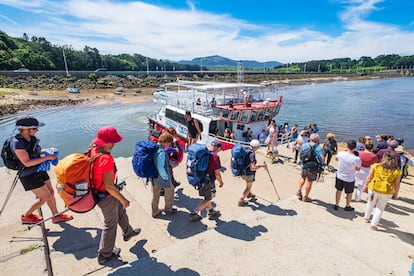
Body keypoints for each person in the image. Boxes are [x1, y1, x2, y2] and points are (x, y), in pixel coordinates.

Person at [89, 126, 140, 265]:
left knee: (120, 212)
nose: (115, 144)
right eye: (114, 142)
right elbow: (109, 186)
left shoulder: (94, 150)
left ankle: (128, 231)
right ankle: (105, 254)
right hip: (106, 196)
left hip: (101, 192)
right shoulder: (106, 159)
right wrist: (124, 199)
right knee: (110, 225)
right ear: (109, 143)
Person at [11, 115, 73, 225]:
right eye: (34, 128)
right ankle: (26, 216)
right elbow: (26, 162)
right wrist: (47, 158)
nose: (37, 130)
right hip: (28, 175)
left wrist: (46, 151)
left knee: (51, 193)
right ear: (25, 129)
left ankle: (56, 215)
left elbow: (33, 152)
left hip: (39, 169)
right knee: (46, 196)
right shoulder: (17, 143)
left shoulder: (30, 138)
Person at [363, 152, 401, 230]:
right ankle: (373, 224)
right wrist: (396, 193)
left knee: (370, 203)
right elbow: (397, 184)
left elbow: (369, 177)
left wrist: (366, 186)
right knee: (380, 207)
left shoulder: (376, 166)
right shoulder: (396, 171)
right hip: (387, 191)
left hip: (374, 188)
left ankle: (366, 217)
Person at [189, 141, 224, 221]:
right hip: (208, 180)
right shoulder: (215, 157)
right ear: (217, 148)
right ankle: (194, 213)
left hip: (199, 178)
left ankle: (210, 210)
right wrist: (221, 182)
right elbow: (217, 172)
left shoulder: (204, 154)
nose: (219, 150)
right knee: (208, 198)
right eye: (220, 149)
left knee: (208, 196)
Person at [152, 132, 177, 218]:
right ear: (166, 142)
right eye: (169, 143)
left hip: (154, 176)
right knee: (170, 191)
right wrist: (166, 177)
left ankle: (154, 211)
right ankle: (168, 209)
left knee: (156, 194)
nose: (169, 145)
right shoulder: (161, 152)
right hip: (162, 176)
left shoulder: (155, 147)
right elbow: (161, 167)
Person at [333, 140, 361, 211]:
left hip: (340, 175)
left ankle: (336, 204)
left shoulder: (341, 153)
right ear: (355, 148)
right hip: (349, 178)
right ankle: (347, 205)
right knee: (349, 193)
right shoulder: (357, 158)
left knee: (338, 190)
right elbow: (358, 169)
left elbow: (336, 158)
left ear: (347, 146)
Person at [238, 139, 267, 206]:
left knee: (248, 184)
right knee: (248, 188)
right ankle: (241, 200)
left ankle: (249, 194)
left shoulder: (245, 149)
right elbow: (252, 167)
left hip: (242, 171)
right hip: (248, 173)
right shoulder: (252, 154)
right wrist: (262, 166)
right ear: (255, 147)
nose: (258, 148)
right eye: (258, 147)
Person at [296, 133, 323, 202]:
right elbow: (321, 158)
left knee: (303, 177)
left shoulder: (304, 145)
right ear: (317, 140)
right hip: (312, 167)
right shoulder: (318, 147)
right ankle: (306, 197)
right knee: (309, 181)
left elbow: (300, 154)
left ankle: (299, 192)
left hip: (304, 164)